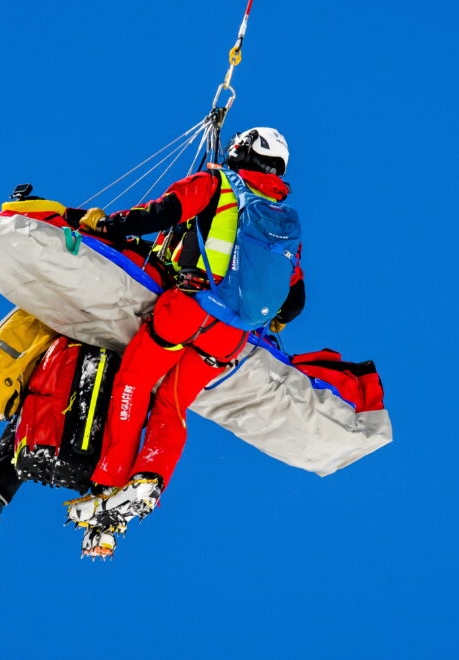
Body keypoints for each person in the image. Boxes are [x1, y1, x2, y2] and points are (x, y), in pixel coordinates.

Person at [65, 127, 305, 543]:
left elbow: (159, 215)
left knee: (134, 382)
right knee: (173, 402)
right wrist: (271, 322)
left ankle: (109, 484)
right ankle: (148, 481)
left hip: (188, 308)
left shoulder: (216, 183)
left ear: (242, 150)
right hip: (230, 336)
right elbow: (295, 298)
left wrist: (106, 223)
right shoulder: (283, 220)